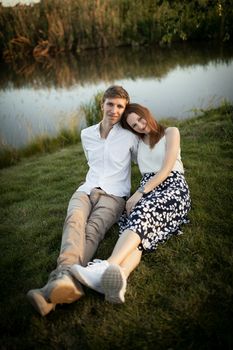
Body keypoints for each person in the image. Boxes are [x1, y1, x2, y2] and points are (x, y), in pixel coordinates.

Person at [27, 86, 139, 316]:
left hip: (115, 195)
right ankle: (64, 282)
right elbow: (92, 162)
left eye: (120, 106)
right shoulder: (86, 134)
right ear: (102, 104)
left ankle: (55, 286)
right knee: (74, 221)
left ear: (125, 109)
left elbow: (145, 162)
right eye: (111, 104)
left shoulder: (130, 136)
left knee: (92, 230)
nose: (115, 110)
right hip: (86, 189)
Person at [71, 103, 191, 304]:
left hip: (172, 185)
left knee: (143, 213)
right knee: (135, 230)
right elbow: (116, 153)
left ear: (147, 113)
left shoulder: (171, 132)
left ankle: (107, 265)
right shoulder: (137, 142)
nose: (141, 126)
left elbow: (166, 168)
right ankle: (121, 278)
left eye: (141, 119)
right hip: (147, 186)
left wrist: (139, 193)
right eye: (134, 125)